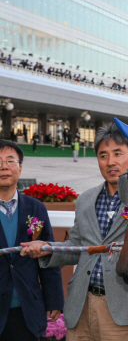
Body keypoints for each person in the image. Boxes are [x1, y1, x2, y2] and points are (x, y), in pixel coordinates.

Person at [22, 123, 128, 340]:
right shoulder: (86, 199)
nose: (111, 162)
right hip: (81, 305)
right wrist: (47, 249)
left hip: (124, 307)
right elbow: (77, 246)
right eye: (103, 155)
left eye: (118, 154)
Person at [0, 140, 63, 340]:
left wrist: (54, 299)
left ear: (20, 167)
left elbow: (49, 256)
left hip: (27, 306)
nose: (4, 167)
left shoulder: (36, 209)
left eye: (10, 161)